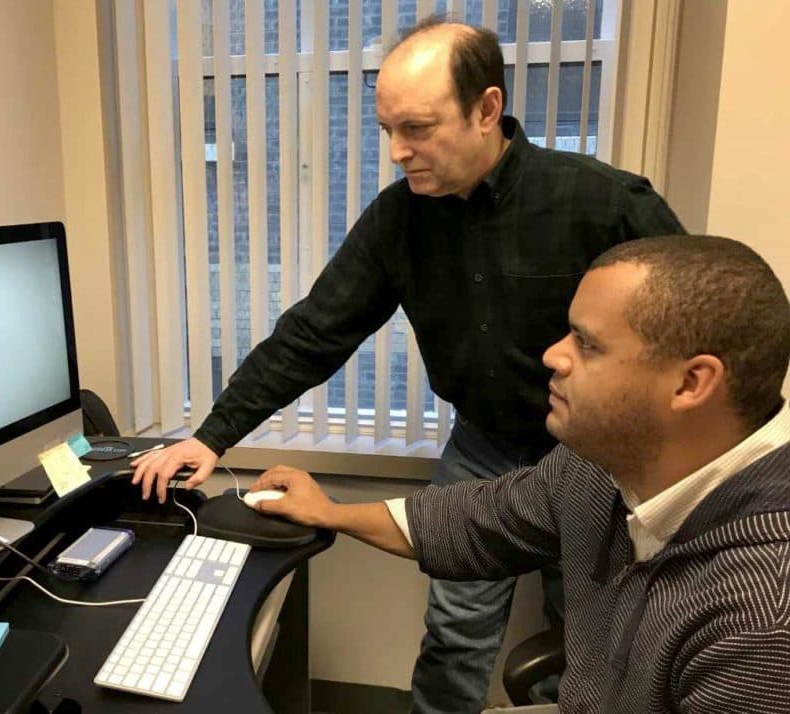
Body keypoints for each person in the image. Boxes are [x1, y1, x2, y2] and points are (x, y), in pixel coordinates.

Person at [131, 18, 685, 712]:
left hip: (596, 460)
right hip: (483, 444)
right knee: (455, 633)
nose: (397, 151)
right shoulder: (400, 219)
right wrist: (212, 434)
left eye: (417, 128)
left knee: (582, 639)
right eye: (388, 129)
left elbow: (694, 335)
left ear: (487, 109)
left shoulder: (605, 204)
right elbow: (314, 332)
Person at [250, 235, 790, 712]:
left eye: (587, 343)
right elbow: (484, 518)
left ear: (692, 383)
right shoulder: (602, 464)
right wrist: (333, 513)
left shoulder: (762, 625)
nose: (552, 356)